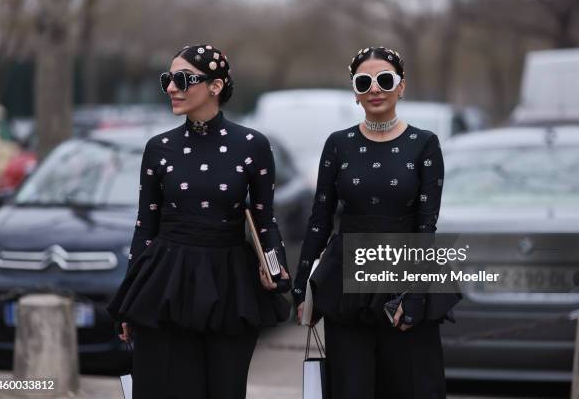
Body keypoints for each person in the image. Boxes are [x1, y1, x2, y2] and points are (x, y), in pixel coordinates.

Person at [107, 44, 291, 399]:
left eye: (182, 79)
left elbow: (265, 220)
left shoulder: (253, 144)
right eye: (168, 80)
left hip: (229, 284)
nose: (172, 88)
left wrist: (275, 268)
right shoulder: (158, 147)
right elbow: (146, 225)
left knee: (224, 389)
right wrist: (129, 300)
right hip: (165, 282)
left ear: (216, 86)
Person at [292, 46, 461, 399]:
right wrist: (300, 288)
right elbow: (319, 220)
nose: (375, 88)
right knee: (350, 387)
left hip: (403, 276)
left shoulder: (424, 144)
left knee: (411, 385)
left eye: (385, 79)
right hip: (346, 282)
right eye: (364, 81)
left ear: (402, 87)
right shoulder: (337, 144)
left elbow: (426, 228)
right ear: (355, 91)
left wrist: (414, 295)